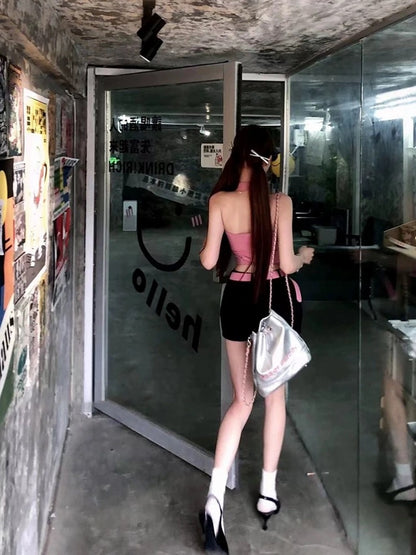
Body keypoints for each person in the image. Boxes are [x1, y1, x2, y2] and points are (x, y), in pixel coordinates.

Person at [199, 125, 314, 553]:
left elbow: (209, 260)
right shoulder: (281, 203)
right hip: (274, 304)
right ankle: (267, 491)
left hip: (236, 300)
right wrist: (302, 256)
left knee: (242, 400)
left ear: (237, 156)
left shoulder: (220, 201)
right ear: (269, 161)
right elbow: (286, 264)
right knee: (274, 399)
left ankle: (214, 500)